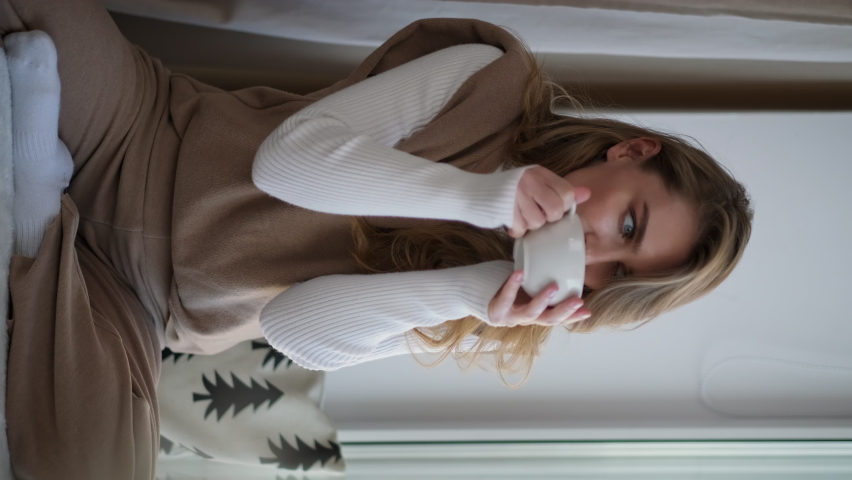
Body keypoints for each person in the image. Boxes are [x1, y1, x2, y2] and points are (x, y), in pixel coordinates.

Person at [1, 0, 752, 477]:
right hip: (139, 134)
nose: (592, 251)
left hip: (142, 303)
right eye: (627, 223)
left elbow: (292, 326)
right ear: (631, 153)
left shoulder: (491, 295)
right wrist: (484, 196)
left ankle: (36, 207)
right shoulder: (486, 83)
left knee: (90, 466)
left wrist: (469, 295)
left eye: (610, 273)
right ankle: (39, 218)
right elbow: (286, 162)